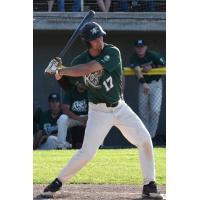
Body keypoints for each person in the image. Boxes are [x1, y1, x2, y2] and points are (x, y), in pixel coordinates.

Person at [43, 22, 163, 199]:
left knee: (145, 140)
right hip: (98, 112)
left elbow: (89, 68)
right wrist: (58, 74)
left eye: (100, 36)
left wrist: (62, 69)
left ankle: (149, 185)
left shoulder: (112, 52)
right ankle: (57, 183)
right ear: (87, 42)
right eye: (94, 38)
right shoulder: (78, 60)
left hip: (120, 107)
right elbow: (68, 85)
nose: (99, 40)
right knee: (88, 153)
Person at [129, 39, 165, 139]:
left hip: (156, 83)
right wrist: (144, 83)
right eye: (138, 47)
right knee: (143, 111)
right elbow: (136, 70)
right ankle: (145, 136)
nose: (140, 49)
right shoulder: (134, 57)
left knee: (155, 110)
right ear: (135, 48)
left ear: (146, 47)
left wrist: (152, 66)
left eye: (142, 47)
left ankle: (151, 135)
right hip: (143, 84)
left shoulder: (153, 55)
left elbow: (164, 64)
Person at [59, 82, 88, 148]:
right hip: (74, 118)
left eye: (84, 80)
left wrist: (87, 118)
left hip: (87, 118)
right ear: (77, 82)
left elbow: (95, 108)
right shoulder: (70, 91)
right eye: (80, 81)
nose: (82, 83)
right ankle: (61, 145)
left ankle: (99, 146)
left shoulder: (90, 92)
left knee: (98, 118)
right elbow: (65, 109)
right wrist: (78, 118)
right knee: (62, 118)